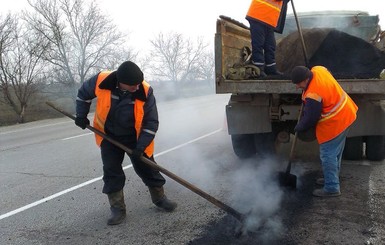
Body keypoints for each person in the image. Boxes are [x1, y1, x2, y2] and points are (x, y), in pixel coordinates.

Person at [75, 61, 177, 225]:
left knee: (148, 169)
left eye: (138, 84)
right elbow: (82, 95)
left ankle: (160, 199)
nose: (136, 88)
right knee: (111, 171)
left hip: (135, 138)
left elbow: (151, 123)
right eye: (132, 85)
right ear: (120, 81)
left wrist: (141, 146)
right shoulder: (101, 80)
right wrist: (81, 115)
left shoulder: (145, 90)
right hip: (108, 136)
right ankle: (118, 209)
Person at [291, 65, 358, 197]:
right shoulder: (318, 70)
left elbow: (311, 118)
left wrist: (299, 126)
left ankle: (332, 187)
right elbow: (327, 71)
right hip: (347, 112)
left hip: (336, 121)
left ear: (305, 79)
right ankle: (331, 178)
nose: (297, 87)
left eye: (299, 83)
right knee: (336, 152)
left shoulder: (313, 94)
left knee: (328, 154)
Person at [246, 0, 289, 77]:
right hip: (259, 15)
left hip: (269, 19)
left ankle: (271, 69)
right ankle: (258, 70)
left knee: (270, 46)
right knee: (258, 44)